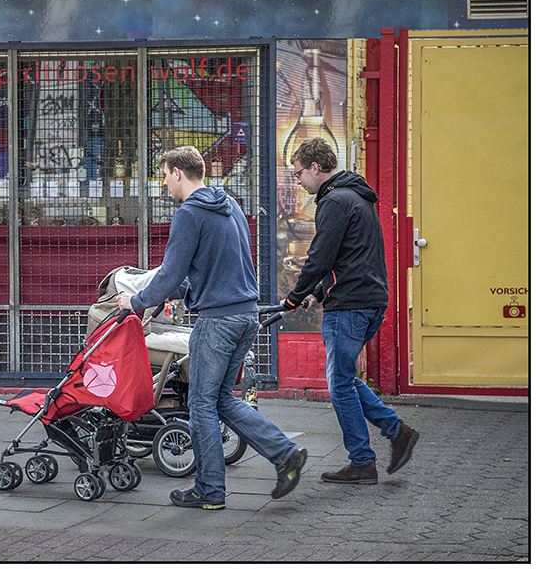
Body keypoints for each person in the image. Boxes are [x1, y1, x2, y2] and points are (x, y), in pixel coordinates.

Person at [118, 146, 307, 510]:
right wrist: (181, 291)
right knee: (220, 399)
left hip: (218, 321)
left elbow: (172, 272)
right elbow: (213, 267)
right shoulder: (230, 205)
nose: (164, 183)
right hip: (246, 315)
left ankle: (209, 490)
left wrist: (137, 301)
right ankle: (285, 454)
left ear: (177, 173)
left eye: (164, 175)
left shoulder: (189, 214)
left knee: (201, 403)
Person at [282, 137, 418, 484]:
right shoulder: (356, 195)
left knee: (339, 383)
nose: (298, 180)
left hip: (350, 306)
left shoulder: (334, 200)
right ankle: (396, 431)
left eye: (299, 173)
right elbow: (349, 255)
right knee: (344, 378)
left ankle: (362, 460)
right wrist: (316, 292)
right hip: (370, 300)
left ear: (315, 168)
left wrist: (295, 296)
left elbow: (321, 257)